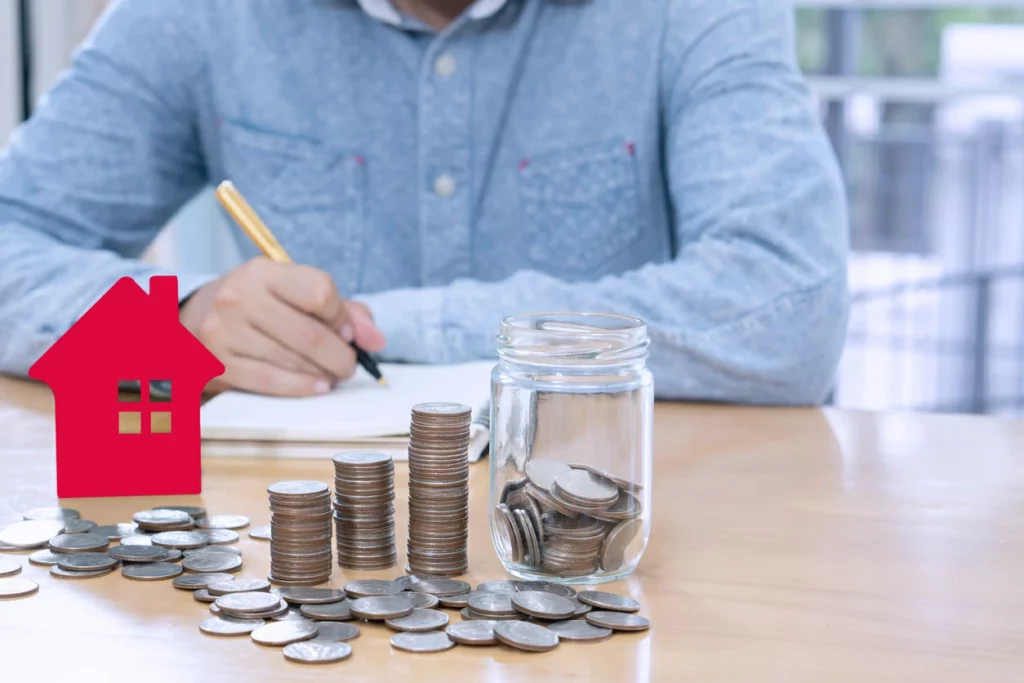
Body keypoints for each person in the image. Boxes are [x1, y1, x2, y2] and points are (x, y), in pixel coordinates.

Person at [0, 0, 848, 403]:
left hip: (628, 545)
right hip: (295, 567)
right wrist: (171, 327)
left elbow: (786, 309)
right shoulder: (193, 14)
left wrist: (389, 326)